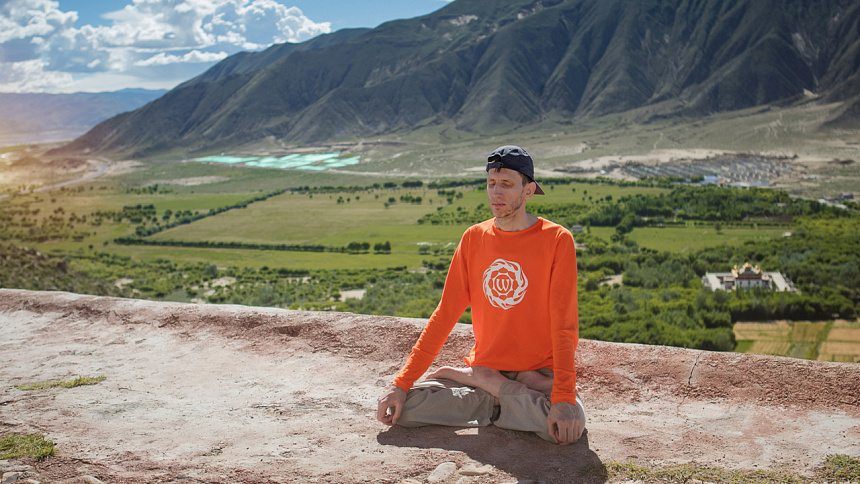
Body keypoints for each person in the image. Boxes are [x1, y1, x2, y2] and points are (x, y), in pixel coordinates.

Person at [376, 145, 585, 445]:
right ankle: (504, 392)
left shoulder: (556, 240)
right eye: (491, 184)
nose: (496, 193)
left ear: (529, 191)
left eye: (507, 184)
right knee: (403, 410)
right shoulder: (474, 238)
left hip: (537, 369)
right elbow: (444, 316)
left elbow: (564, 327)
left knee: (565, 427)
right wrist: (401, 383)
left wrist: (564, 397)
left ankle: (490, 389)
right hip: (490, 366)